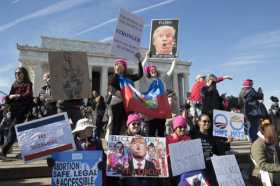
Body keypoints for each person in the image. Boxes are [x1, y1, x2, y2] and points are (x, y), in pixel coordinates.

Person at [0, 67, 33, 159]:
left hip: (22, 110)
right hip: (13, 110)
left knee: (12, 129)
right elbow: (9, 97)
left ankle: (3, 151)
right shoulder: (14, 84)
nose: (18, 75)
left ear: (24, 74)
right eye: (16, 73)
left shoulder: (28, 83)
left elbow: (29, 95)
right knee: (16, 131)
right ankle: (23, 153)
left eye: (20, 73)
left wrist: (17, 95)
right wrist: (7, 98)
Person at [192, 114, 231, 185]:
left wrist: (227, 142)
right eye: (204, 121)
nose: (207, 123)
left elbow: (219, 149)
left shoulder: (213, 136)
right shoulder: (193, 136)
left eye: (209, 121)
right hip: (199, 169)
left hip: (213, 168)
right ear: (199, 122)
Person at [109, 54, 143, 135]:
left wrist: (139, 61)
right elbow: (111, 89)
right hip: (118, 104)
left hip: (128, 104)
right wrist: (121, 95)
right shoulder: (114, 77)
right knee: (117, 124)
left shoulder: (129, 77)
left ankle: (131, 139)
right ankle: (113, 142)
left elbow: (139, 75)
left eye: (119, 65)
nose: (117, 66)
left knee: (131, 122)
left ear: (124, 67)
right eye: (116, 65)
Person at [251, 118, 280, 185]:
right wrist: (278, 167)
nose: (277, 136)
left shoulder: (272, 142)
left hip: (274, 175)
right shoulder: (258, 144)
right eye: (276, 134)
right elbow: (262, 165)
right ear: (270, 134)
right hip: (262, 177)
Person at [165, 115, 191, 186]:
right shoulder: (168, 139)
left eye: (184, 127)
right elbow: (165, 157)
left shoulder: (188, 139)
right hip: (172, 169)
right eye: (180, 127)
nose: (183, 129)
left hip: (185, 169)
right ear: (175, 128)